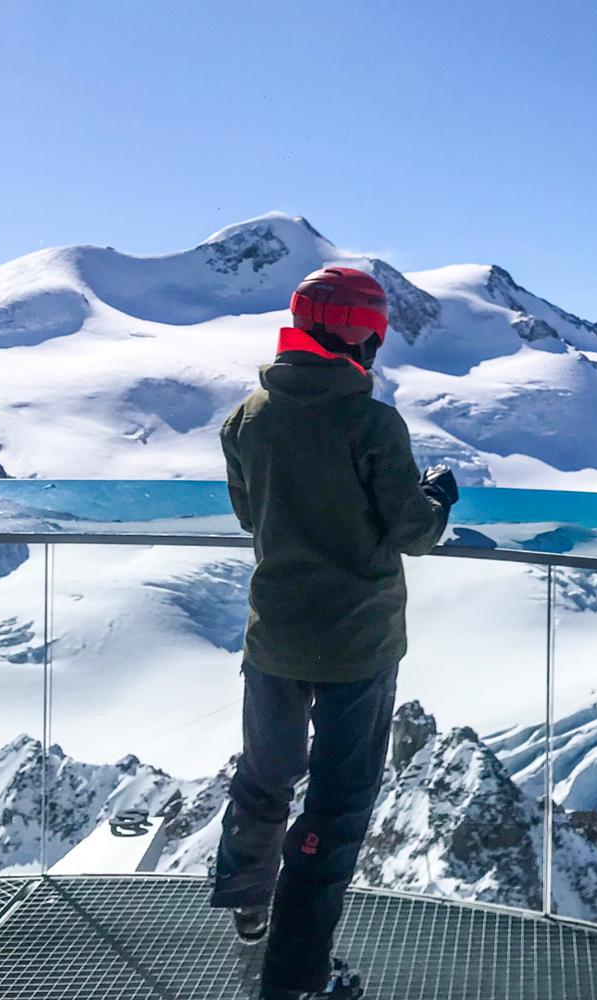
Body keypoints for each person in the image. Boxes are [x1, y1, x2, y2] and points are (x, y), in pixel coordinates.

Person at [211, 266, 458, 1000]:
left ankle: (250, 915)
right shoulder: (371, 424)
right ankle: (297, 978)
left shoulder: (247, 418)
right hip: (357, 646)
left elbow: (250, 518)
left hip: (274, 638)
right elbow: (414, 533)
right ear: (362, 336)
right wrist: (438, 498)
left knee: (264, 777)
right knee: (336, 808)